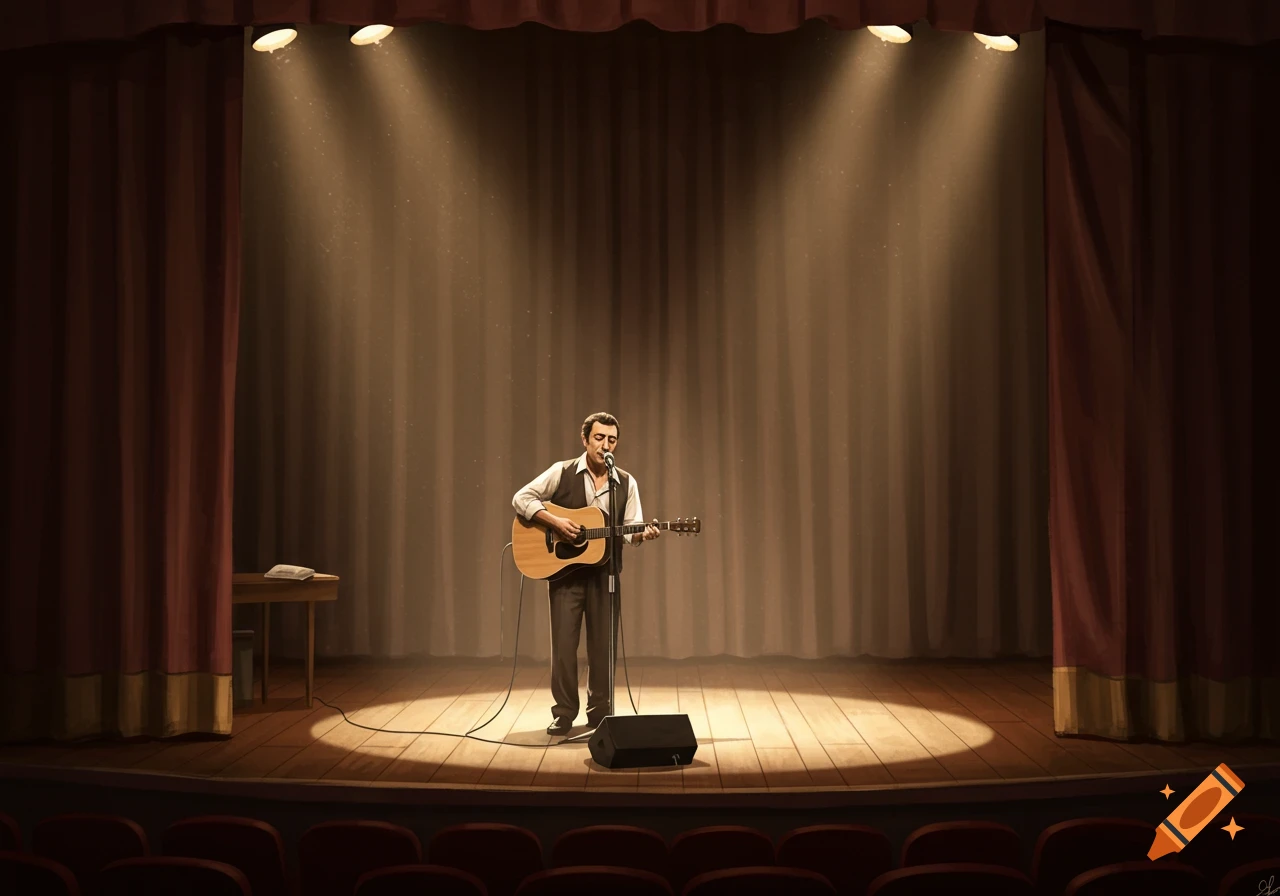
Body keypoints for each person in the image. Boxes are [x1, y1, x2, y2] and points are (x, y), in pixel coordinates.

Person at [512, 412, 660, 736]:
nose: (605, 445)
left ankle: (600, 713)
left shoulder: (625, 482)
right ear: (585, 439)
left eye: (611, 440)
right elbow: (521, 498)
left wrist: (641, 534)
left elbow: (628, 530)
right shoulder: (561, 471)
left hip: (605, 576)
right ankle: (564, 713)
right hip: (566, 576)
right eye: (599, 438)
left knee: (603, 648)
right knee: (564, 648)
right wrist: (556, 523)